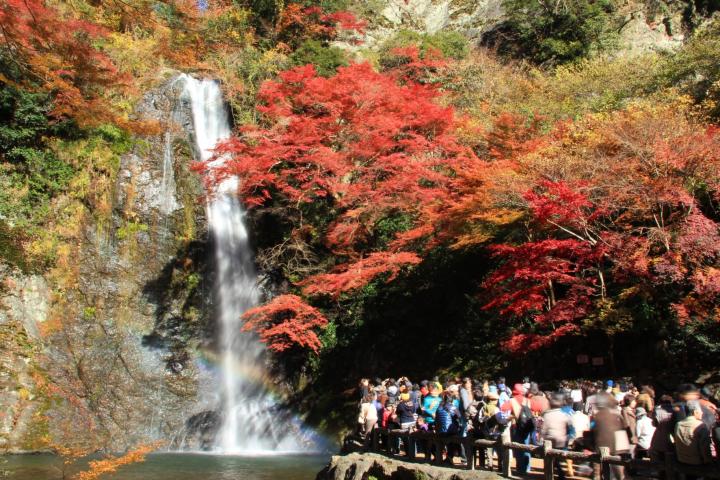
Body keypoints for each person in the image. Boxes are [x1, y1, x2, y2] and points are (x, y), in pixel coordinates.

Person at [591, 393, 629, 480]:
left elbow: (594, 430)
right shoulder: (616, 413)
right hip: (618, 446)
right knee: (619, 473)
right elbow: (626, 426)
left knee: (601, 471)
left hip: (603, 446)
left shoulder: (598, 415)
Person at [502, 383, 534, 474]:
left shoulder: (512, 400)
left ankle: (521, 469)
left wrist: (512, 416)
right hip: (527, 426)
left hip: (516, 426)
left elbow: (503, 409)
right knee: (526, 446)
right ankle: (527, 467)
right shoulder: (528, 400)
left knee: (518, 448)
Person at [674, 400, 713, 466]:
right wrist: (709, 461)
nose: (702, 413)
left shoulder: (678, 424)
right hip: (697, 462)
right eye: (700, 411)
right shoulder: (700, 426)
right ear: (695, 412)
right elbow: (705, 447)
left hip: (681, 460)